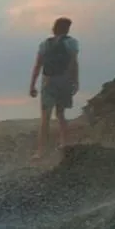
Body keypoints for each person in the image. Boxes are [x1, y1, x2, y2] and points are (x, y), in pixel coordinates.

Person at [29, 17, 79, 159]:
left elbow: (37, 65)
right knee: (61, 114)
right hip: (64, 81)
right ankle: (64, 144)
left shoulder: (45, 44)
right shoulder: (72, 43)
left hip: (47, 82)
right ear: (67, 29)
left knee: (45, 118)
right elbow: (74, 63)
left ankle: (40, 152)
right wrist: (76, 81)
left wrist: (32, 85)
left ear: (54, 28)